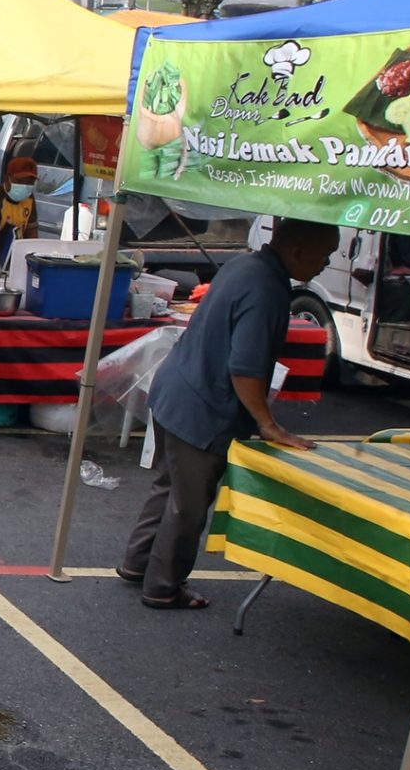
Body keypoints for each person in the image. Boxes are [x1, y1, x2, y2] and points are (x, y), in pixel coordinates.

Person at [117, 219, 336, 612]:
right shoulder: (267, 289)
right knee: (188, 503)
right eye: (325, 255)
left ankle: (136, 564)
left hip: (175, 389)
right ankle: (163, 587)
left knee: (169, 487)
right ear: (299, 251)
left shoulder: (244, 264)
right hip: (203, 407)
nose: (325, 264)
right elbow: (245, 367)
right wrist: (268, 424)